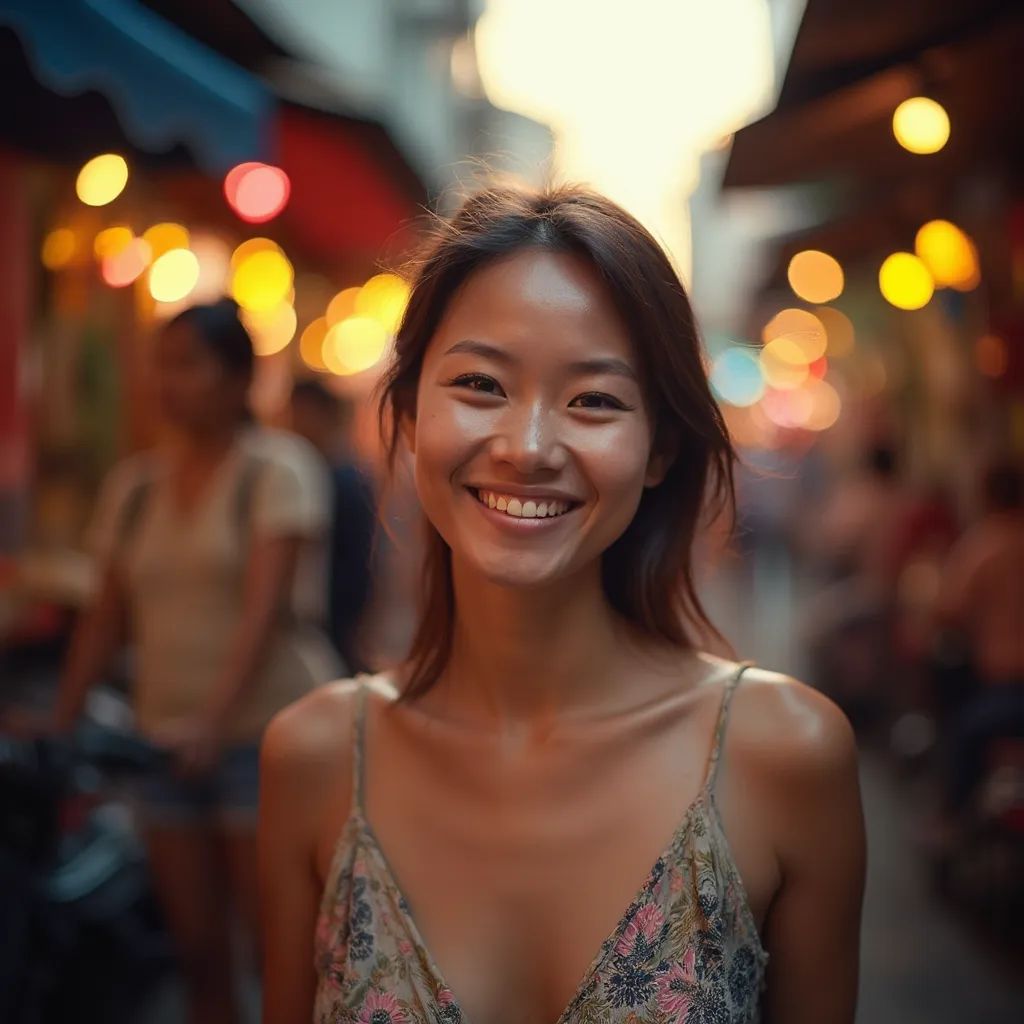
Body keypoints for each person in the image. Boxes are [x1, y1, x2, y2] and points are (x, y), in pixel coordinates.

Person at [259, 185, 865, 1023]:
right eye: (480, 383)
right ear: (408, 409)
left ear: (660, 450)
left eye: (594, 400)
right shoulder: (314, 759)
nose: (529, 447)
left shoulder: (785, 755)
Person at [52, 299, 340, 1024]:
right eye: (163, 365)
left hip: (265, 743)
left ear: (240, 377)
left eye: (189, 365)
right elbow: (104, 620)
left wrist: (214, 725)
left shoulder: (279, 470)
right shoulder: (136, 486)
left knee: (273, 952)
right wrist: (62, 721)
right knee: (197, 948)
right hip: (162, 742)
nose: (168, 383)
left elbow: (265, 611)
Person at [934, 458, 1024, 818]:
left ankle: (953, 819)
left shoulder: (982, 545)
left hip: (1001, 686)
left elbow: (947, 609)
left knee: (962, 738)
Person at [289, 379, 377, 675]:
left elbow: (358, 563)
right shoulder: (315, 471)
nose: (292, 424)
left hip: (337, 621)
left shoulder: (343, 479)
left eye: (299, 413)